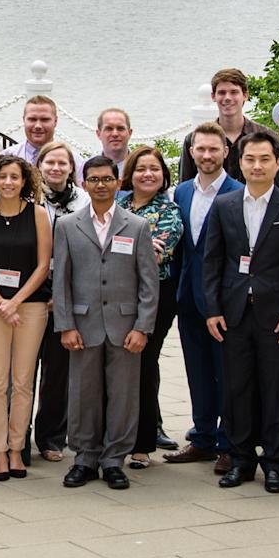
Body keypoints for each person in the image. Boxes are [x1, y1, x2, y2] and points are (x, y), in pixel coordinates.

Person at [199, 131, 279, 494]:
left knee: (276, 390)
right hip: (234, 314)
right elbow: (213, 261)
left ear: (277, 163)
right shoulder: (225, 205)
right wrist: (212, 309)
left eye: (265, 159)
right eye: (250, 159)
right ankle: (241, 459)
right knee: (237, 389)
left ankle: (275, 464)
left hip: (276, 316)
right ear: (240, 162)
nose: (257, 166)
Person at [51, 156, 160, 491]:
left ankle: (114, 459)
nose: (100, 185)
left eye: (107, 179)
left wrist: (142, 327)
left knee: (124, 395)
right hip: (83, 325)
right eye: (94, 179)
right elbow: (62, 280)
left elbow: (148, 281)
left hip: (125, 325)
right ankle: (85, 457)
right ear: (84, 184)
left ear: (118, 182)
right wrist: (65, 324)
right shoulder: (68, 225)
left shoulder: (137, 226)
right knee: (83, 393)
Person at [0, 155, 52, 482]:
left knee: (22, 381)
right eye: (2, 176)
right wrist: (0, 301)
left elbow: (43, 265)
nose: (8, 182)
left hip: (29, 307)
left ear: (24, 181)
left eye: (14, 177)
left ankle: (18, 449)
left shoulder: (38, 215)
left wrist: (15, 301)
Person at [164, 126, 240, 472]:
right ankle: (203, 437)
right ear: (191, 152)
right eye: (200, 150)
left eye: (214, 149)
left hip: (224, 300)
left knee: (226, 371)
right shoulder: (181, 192)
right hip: (188, 296)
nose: (207, 156)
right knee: (196, 369)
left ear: (225, 151)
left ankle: (229, 442)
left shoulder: (238, 193)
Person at [118, 146, 184, 470]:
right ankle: (115, 437)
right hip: (116, 296)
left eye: (155, 169)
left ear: (164, 175)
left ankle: (143, 444)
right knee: (118, 367)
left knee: (143, 364)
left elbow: (156, 256)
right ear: (130, 174)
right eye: (141, 168)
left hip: (153, 298)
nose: (148, 174)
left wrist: (122, 249)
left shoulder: (170, 212)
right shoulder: (117, 204)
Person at [27, 142, 81, 462]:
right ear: (39, 166)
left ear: (71, 168)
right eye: (50, 162)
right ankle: (17, 435)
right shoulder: (28, 199)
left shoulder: (83, 202)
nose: (56, 168)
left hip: (66, 296)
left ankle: (50, 437)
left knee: (58, 372)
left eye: (62, 163)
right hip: (32, 295)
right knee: (23, 369)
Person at [182, 67, 273, 181]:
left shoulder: (266, 137)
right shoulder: (193, 140)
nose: (227, 98)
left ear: (245, 95)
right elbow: (186, 185)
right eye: (222, 93)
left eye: (234, 92)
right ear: (213, 96)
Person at [7, 97, 61, 165]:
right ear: (24, 120)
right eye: (32, 119)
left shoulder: (74, 161)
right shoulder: (6, 157)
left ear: (55, 121)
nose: (38, 126)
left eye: (44, 119)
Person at [93, 108, 135, 176]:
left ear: (129, 133)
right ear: (98, 134)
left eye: (120, 128)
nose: (115, 134)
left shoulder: (140, 168)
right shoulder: (88, 169)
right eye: (109, 129)